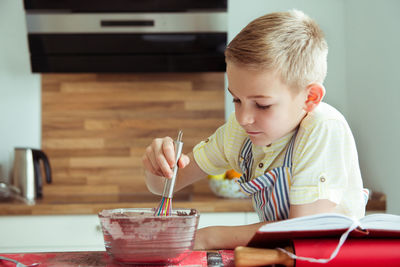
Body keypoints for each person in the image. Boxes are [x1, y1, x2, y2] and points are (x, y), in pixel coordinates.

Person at [142, 10, 368, 250]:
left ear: (310, 98)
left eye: (262, 105)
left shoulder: (323, 127)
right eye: (236, 100)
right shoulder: (239, 133)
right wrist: (160, 165)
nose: (243, 118)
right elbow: (161, 187)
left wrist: (208, 237)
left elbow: (304, 229)